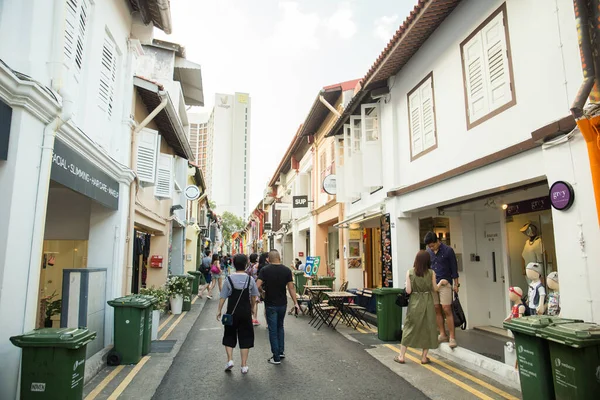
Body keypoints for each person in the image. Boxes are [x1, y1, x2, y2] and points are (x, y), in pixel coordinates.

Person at [394, 250, 443, 364]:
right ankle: (424, 357)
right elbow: (435, 289)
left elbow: (408, 290)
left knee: (409, 327)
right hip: (428, 302)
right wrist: (442, 283)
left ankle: (401, 356)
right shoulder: (431, 273)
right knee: (428, 328)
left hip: (415, 302)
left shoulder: (410, 272)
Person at [216, 254, 259, 374]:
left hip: (231, 312)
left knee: (229, 334)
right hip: (245, 312)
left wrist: (219, 310)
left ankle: (230, 360)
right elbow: (254, 296)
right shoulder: (250, 279)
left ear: (234, 264)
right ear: (246, 264)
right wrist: (252, 308)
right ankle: (244, 365)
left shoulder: (229, 279)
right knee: (245, 336)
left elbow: (223, 296)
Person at [257, 250, 300, 365]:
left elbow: (257, 285)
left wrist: (262, 292)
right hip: (283, 304)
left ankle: (276, 357)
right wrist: (295, 302)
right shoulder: (286, 270)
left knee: (273, 330)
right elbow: (291, 288)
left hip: (270, 304)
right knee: (280, 327)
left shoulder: (265, 270)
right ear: (279, 258)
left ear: (268, 259)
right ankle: (281, 352)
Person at [424, 231, 459, 348]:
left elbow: (454, 269)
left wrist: (456, 285)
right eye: (429, 246)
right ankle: (442, 334)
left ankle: (452, 337)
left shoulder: (448, 251)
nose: (431, 248)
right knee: (436, 308)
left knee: (446, 308)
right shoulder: (428, 252)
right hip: (433, 284)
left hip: (445, 283)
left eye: (432, 245)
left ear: (438, 241)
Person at [246, 253, 261, 326]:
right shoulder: (256, 265)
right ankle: (254, 318)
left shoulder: (249, 266)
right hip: (256, 284)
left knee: (251, 301)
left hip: (249, 285)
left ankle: (251, 318)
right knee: (255, 302)